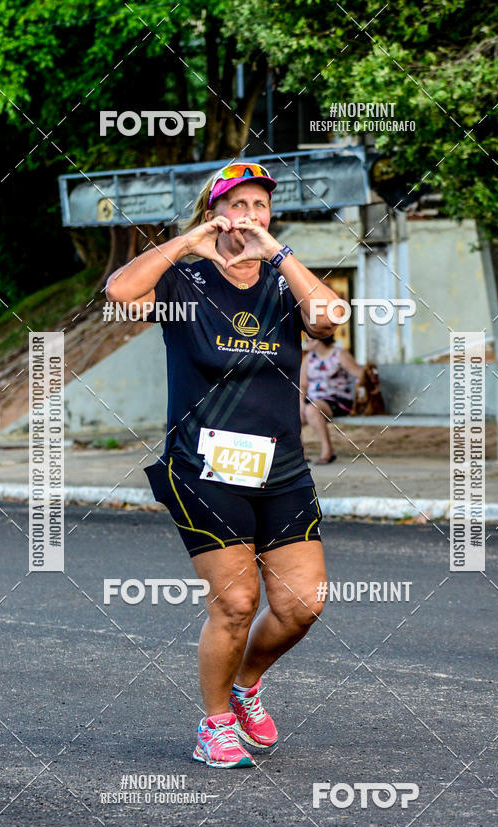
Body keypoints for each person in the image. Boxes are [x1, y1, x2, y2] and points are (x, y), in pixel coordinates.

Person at [106, 162, 340, 765]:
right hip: (201, 467)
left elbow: (332, 318)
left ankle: (246, 686)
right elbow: (120, 293)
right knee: (236, 604)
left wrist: (280, 253)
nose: (251, 216)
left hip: (281, 467)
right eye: (238, 205)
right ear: (217, 212)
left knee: (302, 604)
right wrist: (189, 242)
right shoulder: (186, 283)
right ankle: (213, 723)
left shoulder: (285, 284)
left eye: (260, 205)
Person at [300, 334, 364, 464]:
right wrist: (300, 401)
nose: (305, 342)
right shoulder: (309, 358)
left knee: (312, 409)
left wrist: (359, 385)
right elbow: (303, 384)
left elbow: (362, 375)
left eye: (308, 340)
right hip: (314, 400)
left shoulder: (339, 354)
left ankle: (328, 451)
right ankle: (300, 453)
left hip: (339, 400)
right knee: (292, 413)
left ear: (317, 340)